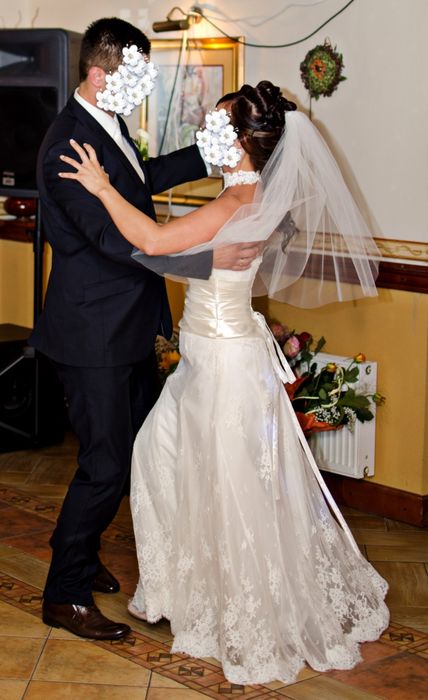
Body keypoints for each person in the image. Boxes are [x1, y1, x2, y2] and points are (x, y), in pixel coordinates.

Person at [59, 81, 389, 684]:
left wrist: (103, 187)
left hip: (222, 362)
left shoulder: (236, 199)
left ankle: (238, 611)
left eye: (213, 126)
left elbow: (154, 242)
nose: (202, 135)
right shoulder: (251, 194)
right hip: (217, 356)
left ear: (238, 142)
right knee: (177, 463)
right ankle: (197, 590)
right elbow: (184, 250)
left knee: (217, 481)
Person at [30, 17, 261, 642]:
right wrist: (206, 260)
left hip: (126, 327)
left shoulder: (107, 124)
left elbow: (138, 179)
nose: (141, 91)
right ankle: (64, 593)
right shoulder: (66, 146)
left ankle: (81, 554)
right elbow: (115, 241)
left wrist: (210, 154)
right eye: (134, 78)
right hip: (92, 335)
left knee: (129, 454)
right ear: (99, 74)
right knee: (104, 466)